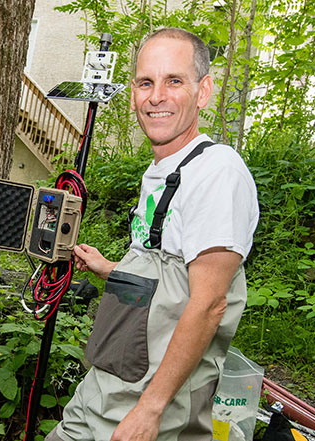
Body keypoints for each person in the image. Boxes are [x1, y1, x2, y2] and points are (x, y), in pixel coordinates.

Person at [46, 28, 259, 441]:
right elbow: (166, 282)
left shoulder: (216, 172)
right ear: (133, 93)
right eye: (146, 82)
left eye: (173, 81)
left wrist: (150, 409)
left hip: (153, 399)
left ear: (204, 91)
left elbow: (210, 303)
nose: (156, 96)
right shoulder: (160, 171)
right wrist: (109, 269)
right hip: (108, 381)